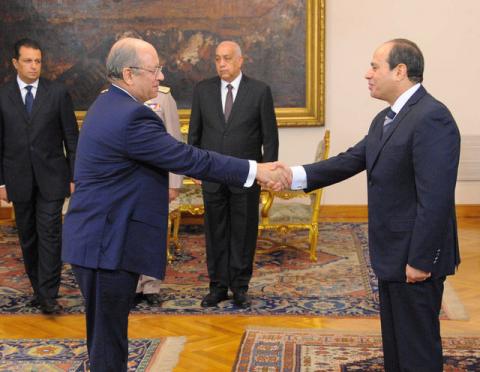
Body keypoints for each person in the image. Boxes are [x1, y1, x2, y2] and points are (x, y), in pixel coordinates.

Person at [61, 37, 287, 372]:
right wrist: (254, 169)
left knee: (105, 338)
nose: (160, 77)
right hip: (105, 245)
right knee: (108, 343)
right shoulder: (132, 118)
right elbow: (187, 157)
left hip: (97, 240)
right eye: (154, 70)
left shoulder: (106, 104)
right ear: (128, 73)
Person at [274, 39, 460, 372]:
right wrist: (293, 176)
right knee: (397, 345)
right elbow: (348, 161)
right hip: (391, 254)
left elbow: (436, 199)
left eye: (375, 66)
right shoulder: (385, 119)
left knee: (417, 349)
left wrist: (420, 260)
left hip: (415, 259)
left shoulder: (432, 117)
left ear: (400, 71)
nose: (367, 74)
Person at [188, 40, 279, 309]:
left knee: (243, 232)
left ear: (241, 60)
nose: (221, 64)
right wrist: (194, 166)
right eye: (217, 59)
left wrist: (269, 171)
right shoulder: (202, 90)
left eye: (227, 58)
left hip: (247, 176)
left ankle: (240, 286)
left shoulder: (260, 91)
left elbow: (269, 137)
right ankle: (217, 286)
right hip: (213, 175)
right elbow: (195, 133)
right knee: (215, 232)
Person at [0, 38, 79, 314]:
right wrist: (1, 182)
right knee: (29, 237)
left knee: (50, 234)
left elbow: (71, 137)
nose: (34, 66)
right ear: (15, 63)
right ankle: (38, 288)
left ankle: (48, 294)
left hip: (53, 179)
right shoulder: (3, 95)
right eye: (28, 61)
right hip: (17, 179)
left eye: (38, 61)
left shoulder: (57, 93)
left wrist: (73, 175)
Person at [135, 85, 184, 306]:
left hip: (155, 180)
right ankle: (132, 286)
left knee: (153, 234)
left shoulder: (163, 97)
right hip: (123, 183)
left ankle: (151, 286)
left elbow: (174, 141)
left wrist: (174, 183)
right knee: (127, 235)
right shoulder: (108, 96)